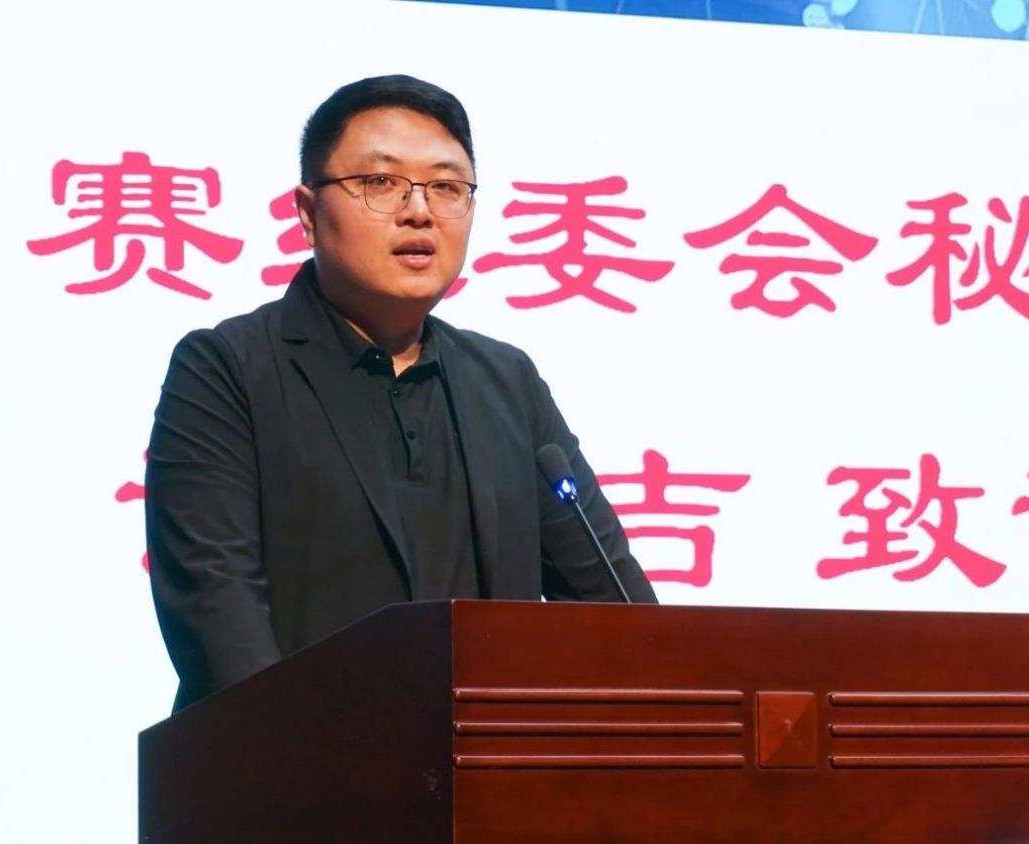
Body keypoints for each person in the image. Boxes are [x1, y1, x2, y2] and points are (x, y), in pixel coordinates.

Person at [146, 74, 656, 712]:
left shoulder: (507, 382)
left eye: (446, 187)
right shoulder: (226, 370)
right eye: (381, 182)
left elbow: (619, 614)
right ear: (307, 212)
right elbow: (217, 614)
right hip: (294, 764)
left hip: (488, 767)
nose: (419, 211)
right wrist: (305, 756)